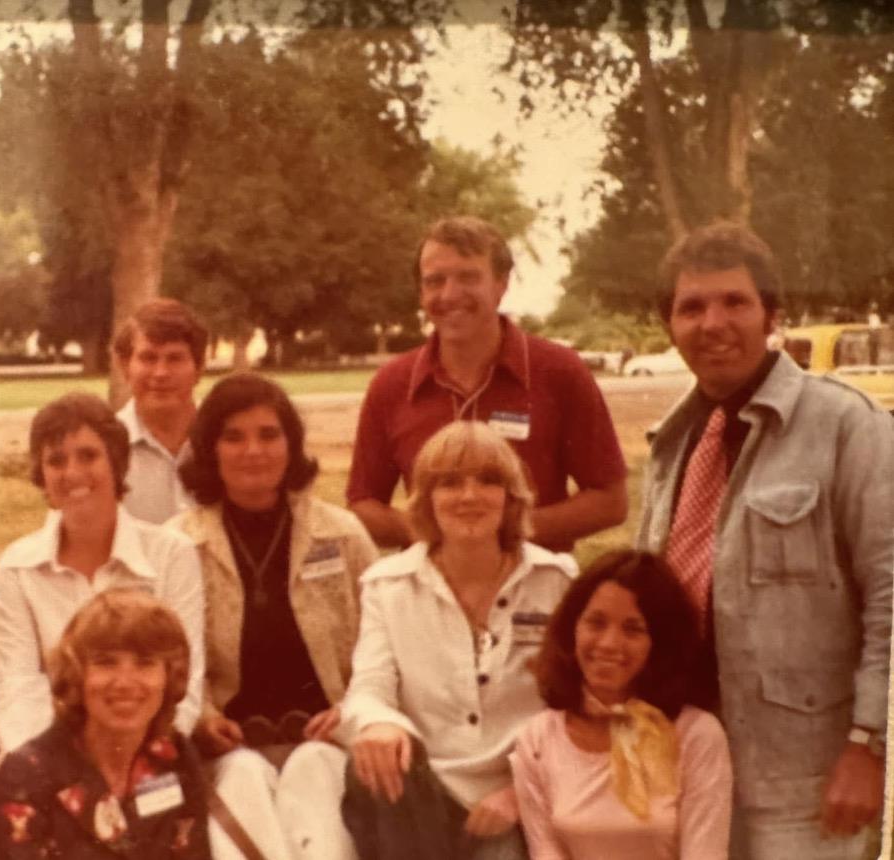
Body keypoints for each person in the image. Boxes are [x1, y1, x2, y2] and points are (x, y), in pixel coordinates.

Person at [635, 221, 893, 859]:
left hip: (805, 780)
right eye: (691, 307)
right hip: (685, 768)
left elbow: (890, 596)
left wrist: (869, 745)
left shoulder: (846, 426)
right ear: (669, 325)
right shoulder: (670, 447)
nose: (712, 322)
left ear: (772, 314)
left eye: (734, 302)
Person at [339, 420, 578, 860]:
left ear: (511, 498)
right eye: (449, 483)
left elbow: (581, 710)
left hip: (521, 788)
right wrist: (379, 722)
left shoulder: (557, 582)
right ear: (426, 500)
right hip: (423, 794)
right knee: (367, 763)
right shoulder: (387, 585)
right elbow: (366, 690)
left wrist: (520, 794)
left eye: (488, 481)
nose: (469, 497)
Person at [168, 372, 379, 859]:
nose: (253, 451)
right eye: (233, 437)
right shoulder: (178, 544)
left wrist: (352, 710)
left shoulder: (342, 536)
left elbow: (385, 646)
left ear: (292, 445)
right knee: (244, 789)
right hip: (229, 750)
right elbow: (163, 658)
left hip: (327, 742)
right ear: (210, 449)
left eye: (269, 434)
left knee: (315, 783)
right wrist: (201, 716)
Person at [346, 215, 627, 552]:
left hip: (535, 592)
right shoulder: (392, 385)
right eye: (435, 281)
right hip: (430, 594)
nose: (450, 294)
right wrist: (434, 531)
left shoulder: (559, 372)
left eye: (468, 277)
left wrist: (506, 531)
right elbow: (362, 505)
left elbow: (610, 501)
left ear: (501, 284)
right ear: (420, 293)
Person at [0, 392, 205, 752]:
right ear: (41, 475)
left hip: (149, 751)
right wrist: (49, 767)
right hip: (52, 759)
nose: (72, 472)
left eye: (88, 456)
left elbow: (184, 684)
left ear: (117, 463)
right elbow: (18, 689)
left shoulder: (171, 554)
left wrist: (129, 757)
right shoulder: (18, 567)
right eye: (56, 461)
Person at [511, 549, 733, 859]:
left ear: (660, 643)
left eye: (633, 629)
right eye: (596, 623)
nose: (609, 643)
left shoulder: (697, 735)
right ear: (572, 629)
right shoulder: (538, 739)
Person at [0, 590, 213, 859]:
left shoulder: (175, 758)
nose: (124, 683)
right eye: (106, 663)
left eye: (145, 664)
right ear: (77, 675)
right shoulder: (24, 775)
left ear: (169, 677)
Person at [114, 298, 209, 524]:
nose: (161, 373)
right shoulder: (102, 449)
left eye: (175, 358)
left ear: (199, 368)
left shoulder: (228, 442)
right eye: (148, 358)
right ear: (125, 367)